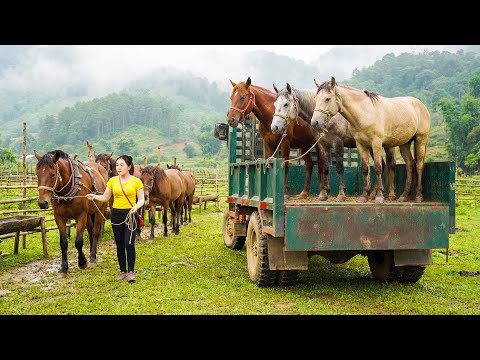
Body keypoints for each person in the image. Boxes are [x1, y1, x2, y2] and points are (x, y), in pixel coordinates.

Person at [86, 155, 144, 283]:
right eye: (117, 165)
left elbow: (141, 200)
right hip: (116, 215)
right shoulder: (112, 181)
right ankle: (123, 271)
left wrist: (136, 207)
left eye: (122, 165)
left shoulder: (136, 181)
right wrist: (94, 197)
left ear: (129, 167)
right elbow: (106, 197)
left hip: (130, 214)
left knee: (129, 243)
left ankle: (131, 272)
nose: (119, 167)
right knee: (120, 244)